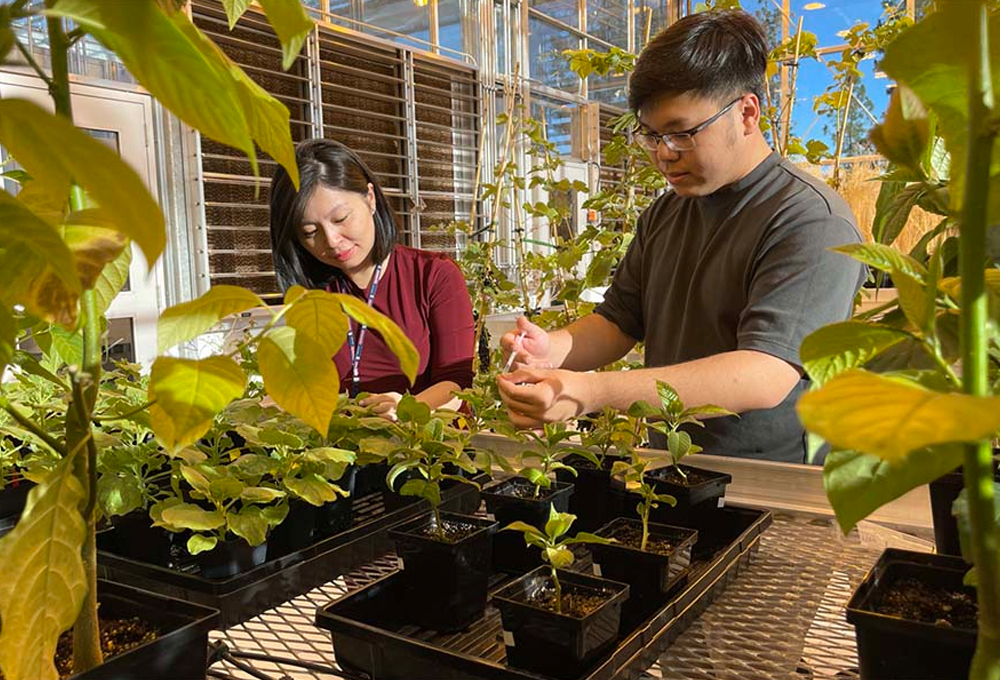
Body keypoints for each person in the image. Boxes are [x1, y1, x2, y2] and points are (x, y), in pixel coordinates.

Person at [498, 10, 866, 464]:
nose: (664, 155)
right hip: (672, 464)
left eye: (681, 133)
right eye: (651, 136)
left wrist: (590, 391)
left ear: (747, 113)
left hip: (773, 482)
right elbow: (618, 323)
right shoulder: (666, 212)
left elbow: (764, 373)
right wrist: (551, 349)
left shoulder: (810, 220)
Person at [269, 139, 474, 420]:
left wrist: (407, 409)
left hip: (429, 450)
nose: (331, 241)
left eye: (340, 218)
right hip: (348, 450)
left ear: (370, 198)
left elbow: (458, 383)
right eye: (309, 232)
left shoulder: (433, 275)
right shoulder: (314, 295)